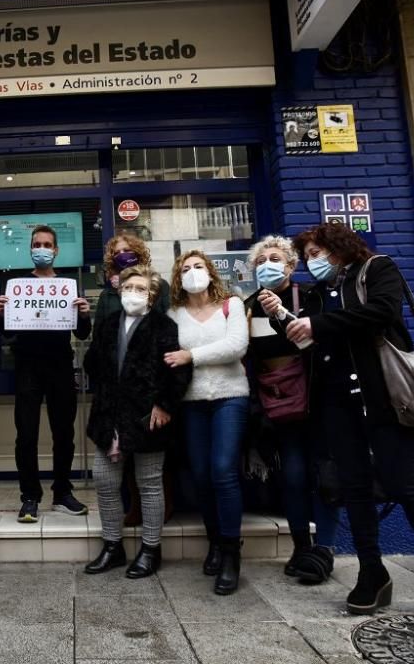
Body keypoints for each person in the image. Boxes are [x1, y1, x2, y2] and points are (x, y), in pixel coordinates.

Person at [261, 223, 414, 630]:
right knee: (355, 489)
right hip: (336, 405)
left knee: (406, 485)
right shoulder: (315, 295)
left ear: (339, 248)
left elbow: (383, 312)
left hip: (384, 399)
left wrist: (317, 325)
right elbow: (308, 342)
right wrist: (282, 318)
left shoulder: (377, 269)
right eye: (308, 254)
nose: (312, 261)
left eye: (317, 252)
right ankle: (372, 573)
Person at [83, 266, 191, 579]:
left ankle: (150, 549)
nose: (133, 293)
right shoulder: (107, 325)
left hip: (148, 417)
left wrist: (164, 405)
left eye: (141, 289)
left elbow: (178, 371)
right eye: (128, 287)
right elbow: (92, 364)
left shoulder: (164, 326)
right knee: (104, 480)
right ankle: (112, 546)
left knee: (149, 483)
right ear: (119, 291)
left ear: (152, 295)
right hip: (109, 415)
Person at [246, 235, 339, 584]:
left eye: (275, 259)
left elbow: (312, 342)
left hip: (315, 396)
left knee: (325, 472)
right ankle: (301, 546)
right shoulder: (251, 304)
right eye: (261, 261)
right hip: (277, 400)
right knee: (294, 474)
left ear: (290, 265)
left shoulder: (310, 297)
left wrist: (281, 314)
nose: (267, 265)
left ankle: (325, 547)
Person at [0, 225, 92, 523]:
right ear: (30, 249)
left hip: (61, 366)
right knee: (26, 434)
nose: (42, 248)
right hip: (27, 367)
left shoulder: (68, 287)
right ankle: (30, 497)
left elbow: (82, 332)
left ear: (56, 250)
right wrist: (1, 315)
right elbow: (7, 334)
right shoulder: (17, 286)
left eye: (47, 244)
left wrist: (85, 313)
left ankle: (62, 492)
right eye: (37, 244)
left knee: (64, 433)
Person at [165, 251, 249, 595]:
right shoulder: (174, 314)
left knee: (223, 470)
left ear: (211, 273)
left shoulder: (232, 305)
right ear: (178, 278)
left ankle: (231, 552)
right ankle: (215, 541)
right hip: (192, 402)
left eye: (198, 267)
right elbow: (168, 356)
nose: (193, 273)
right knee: (200, 475)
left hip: (230, 397)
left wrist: (191, 356)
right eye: (185, 269)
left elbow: (236, 346)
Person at [93, 233, 174, 528]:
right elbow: (97, 345)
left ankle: (155, 520)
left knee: (151, 467)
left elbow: (168, 336)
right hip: (115, 396)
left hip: (148, 391)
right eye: (117, 251)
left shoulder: (158, 287)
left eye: (128, 250)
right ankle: (129, 515)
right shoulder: (108, 295)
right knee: (115, 467)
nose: (123, 254)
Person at [93, 233, 170, 326]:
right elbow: (99, 333)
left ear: (138, 254)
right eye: (117, 253)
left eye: (126, 250)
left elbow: (171, 321)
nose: (122, 254)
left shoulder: (159, 285)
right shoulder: (107, 295)